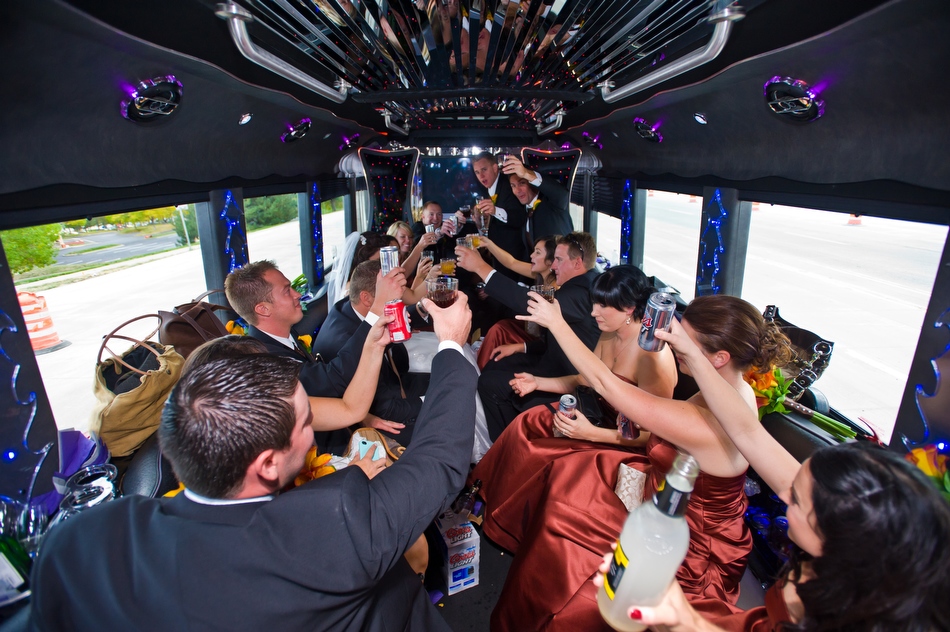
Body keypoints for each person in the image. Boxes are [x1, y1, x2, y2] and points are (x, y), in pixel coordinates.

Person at [31, 293, 478, 632]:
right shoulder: (335, 526)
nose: (313, 433)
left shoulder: (77, 540)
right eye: (306, 424)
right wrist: (452, 347)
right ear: (267, 464)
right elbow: (438, 461)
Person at [605, 320, 950, 632]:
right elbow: (746, 431)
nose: (785, 497)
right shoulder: (851, 560)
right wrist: (693, 353)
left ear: (842, 538)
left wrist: (686, 621)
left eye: (796, 501)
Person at [476, 294, 792, 631]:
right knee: (569, 476)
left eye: (683, 340)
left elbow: (604, 383)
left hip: (688, 541)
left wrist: (556, 323)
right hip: (665, 493)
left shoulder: (712, 422)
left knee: (565, 529)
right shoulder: (730, 390)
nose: (671, 343)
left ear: (719, 358)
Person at [225, 260, 406, 452]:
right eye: (287, 291)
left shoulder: (285, 336)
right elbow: (332, 380)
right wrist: (377, 310)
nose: (298, 295)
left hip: (346, 426)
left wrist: (365, 417)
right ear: (263, 309)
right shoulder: (268, 360)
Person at [456, 231, 600, 440]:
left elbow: (530, 304)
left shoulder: (581, 292)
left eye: (559, 260)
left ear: (578, 263)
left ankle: (506, 443)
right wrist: (519, 347)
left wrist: (480, 267)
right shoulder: (580, 285)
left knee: (489, 385)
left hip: (568, 378)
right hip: (551, 360)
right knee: (495, 364)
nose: (553, 266)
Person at [313, 260, 429, 445]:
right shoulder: (346, 342)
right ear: (367, 299)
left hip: (393, 381)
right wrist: (431, 400)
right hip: (378, 412)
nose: (400, 303)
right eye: (392, 297)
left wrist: (421, 309)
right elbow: (384, 409)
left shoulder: (349, 307)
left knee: (447, 376)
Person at [473, 234, 558, 369]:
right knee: (499, 326)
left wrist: (479, 266)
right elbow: (511, 262)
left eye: (537, 252)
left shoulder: (555, 287)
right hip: (531, 328)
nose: (531, 256)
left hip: (541, 339)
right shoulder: (540, 274)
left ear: (550, 261)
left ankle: (480, 368)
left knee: (499, 329)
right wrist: (489, 244)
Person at [502, 155, 572, 252]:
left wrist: (526, 173)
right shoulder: (525, 210)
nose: (517, 190)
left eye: (522, 183)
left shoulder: (552, 202)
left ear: (532, 183)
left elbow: (563, 194)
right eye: (513, 186)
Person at [472, 151, 528, 270]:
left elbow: (519, 217)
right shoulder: (485, 190)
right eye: (477, 172)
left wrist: (495, 211)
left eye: (484, 170)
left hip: (514, 256)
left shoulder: (510, 185)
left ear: (495, 168)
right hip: (497, 255)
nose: (481, 176)